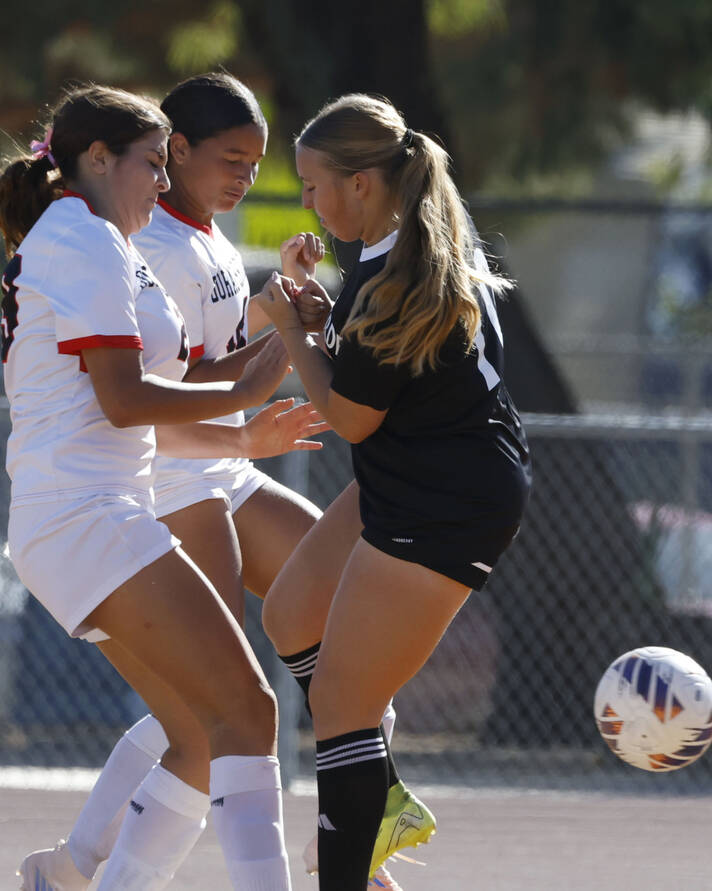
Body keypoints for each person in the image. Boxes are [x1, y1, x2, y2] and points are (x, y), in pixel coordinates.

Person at [40, 74, 420, 891]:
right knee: (215, 714)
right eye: (231, 158)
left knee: (348, 621)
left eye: (257, 160)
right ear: (172, 153)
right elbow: (158, 395)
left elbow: (213, 347)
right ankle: (80, 865)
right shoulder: (140, 247)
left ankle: (339, 837)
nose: (246, 174)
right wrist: (255, 405)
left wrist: (283, 311)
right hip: (175, 478)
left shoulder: (205, 236)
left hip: (223, 467)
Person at [0, 84, 318, 891]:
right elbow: (127, 398)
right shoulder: (82, 235)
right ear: (95, 159)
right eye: (148, 162)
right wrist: (248, 394)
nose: (162, 181)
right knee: (247, 711)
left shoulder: (107, 239)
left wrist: (280, 348)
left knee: (204, 733)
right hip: (85, 516)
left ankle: (74, 876)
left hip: (92, 514)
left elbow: (179, 387)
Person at [252, 94, 532, 890]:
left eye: (314, 183)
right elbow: (367, 367)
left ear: (365, 183)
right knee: (291, 613)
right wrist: (315, 315)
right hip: (415, 472)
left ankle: (356, 851)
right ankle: (374, 781)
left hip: (448, 496)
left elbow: (348, 415)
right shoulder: (391, 252)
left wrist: (292, 328)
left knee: (341, 699)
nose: (307, 199)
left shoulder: (396, 276)